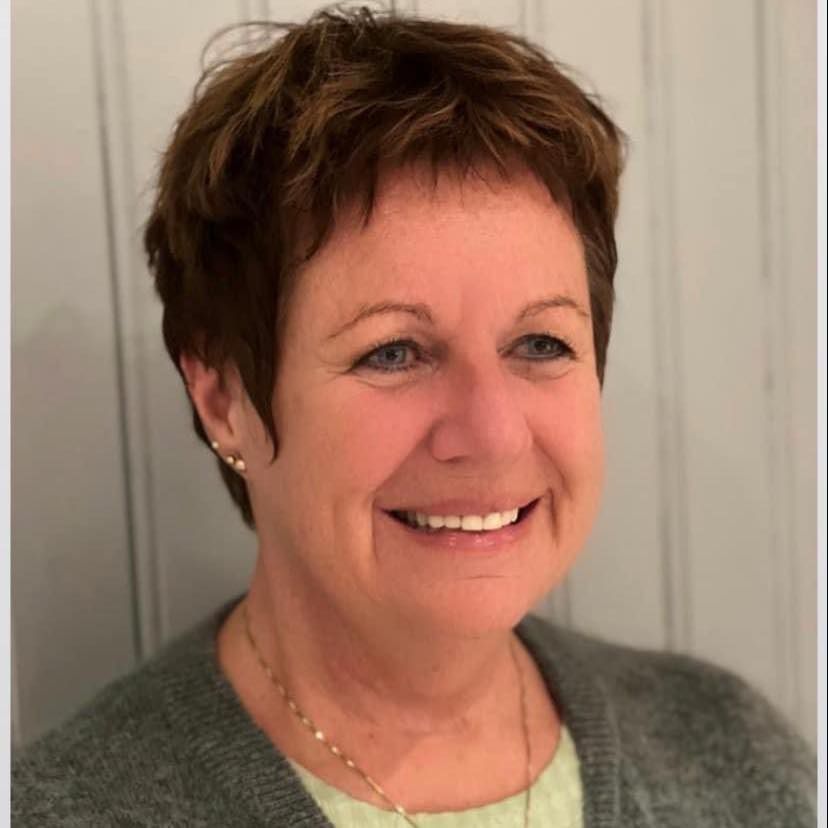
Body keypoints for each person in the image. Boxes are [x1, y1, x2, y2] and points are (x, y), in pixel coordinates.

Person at [12, 7, 815, 826]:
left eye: (540, 343)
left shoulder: (735, 756)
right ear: (223, 398)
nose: (494, 433)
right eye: (394, 352)